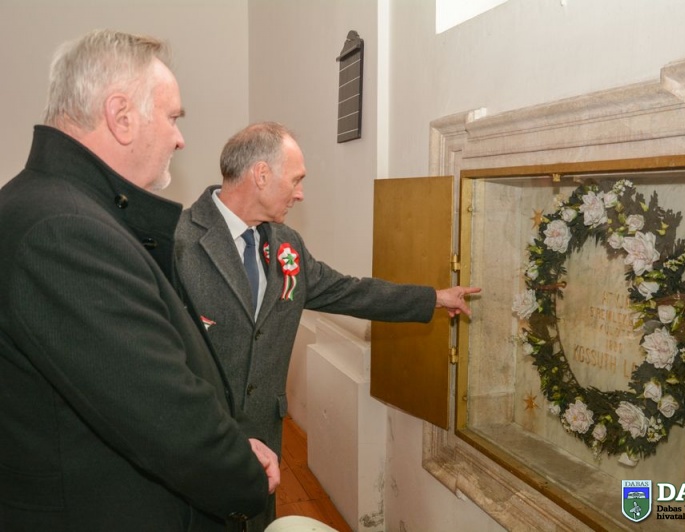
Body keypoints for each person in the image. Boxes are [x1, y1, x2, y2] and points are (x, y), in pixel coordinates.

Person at [0, 30, 279, 531]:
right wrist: (246, 481)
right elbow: (162, 413)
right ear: (121, 116)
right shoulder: (64, 230)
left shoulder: (60, 208)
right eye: (173, 117)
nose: (179, 138)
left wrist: (235, 437)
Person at [175, 121, 480, 528]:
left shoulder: (287, 244)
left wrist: (433, 298)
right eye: (296, 179)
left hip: (264, 435)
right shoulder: (177, 242)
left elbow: (349, 291)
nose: (301, 193)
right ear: (261, 175)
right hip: (199, 436)